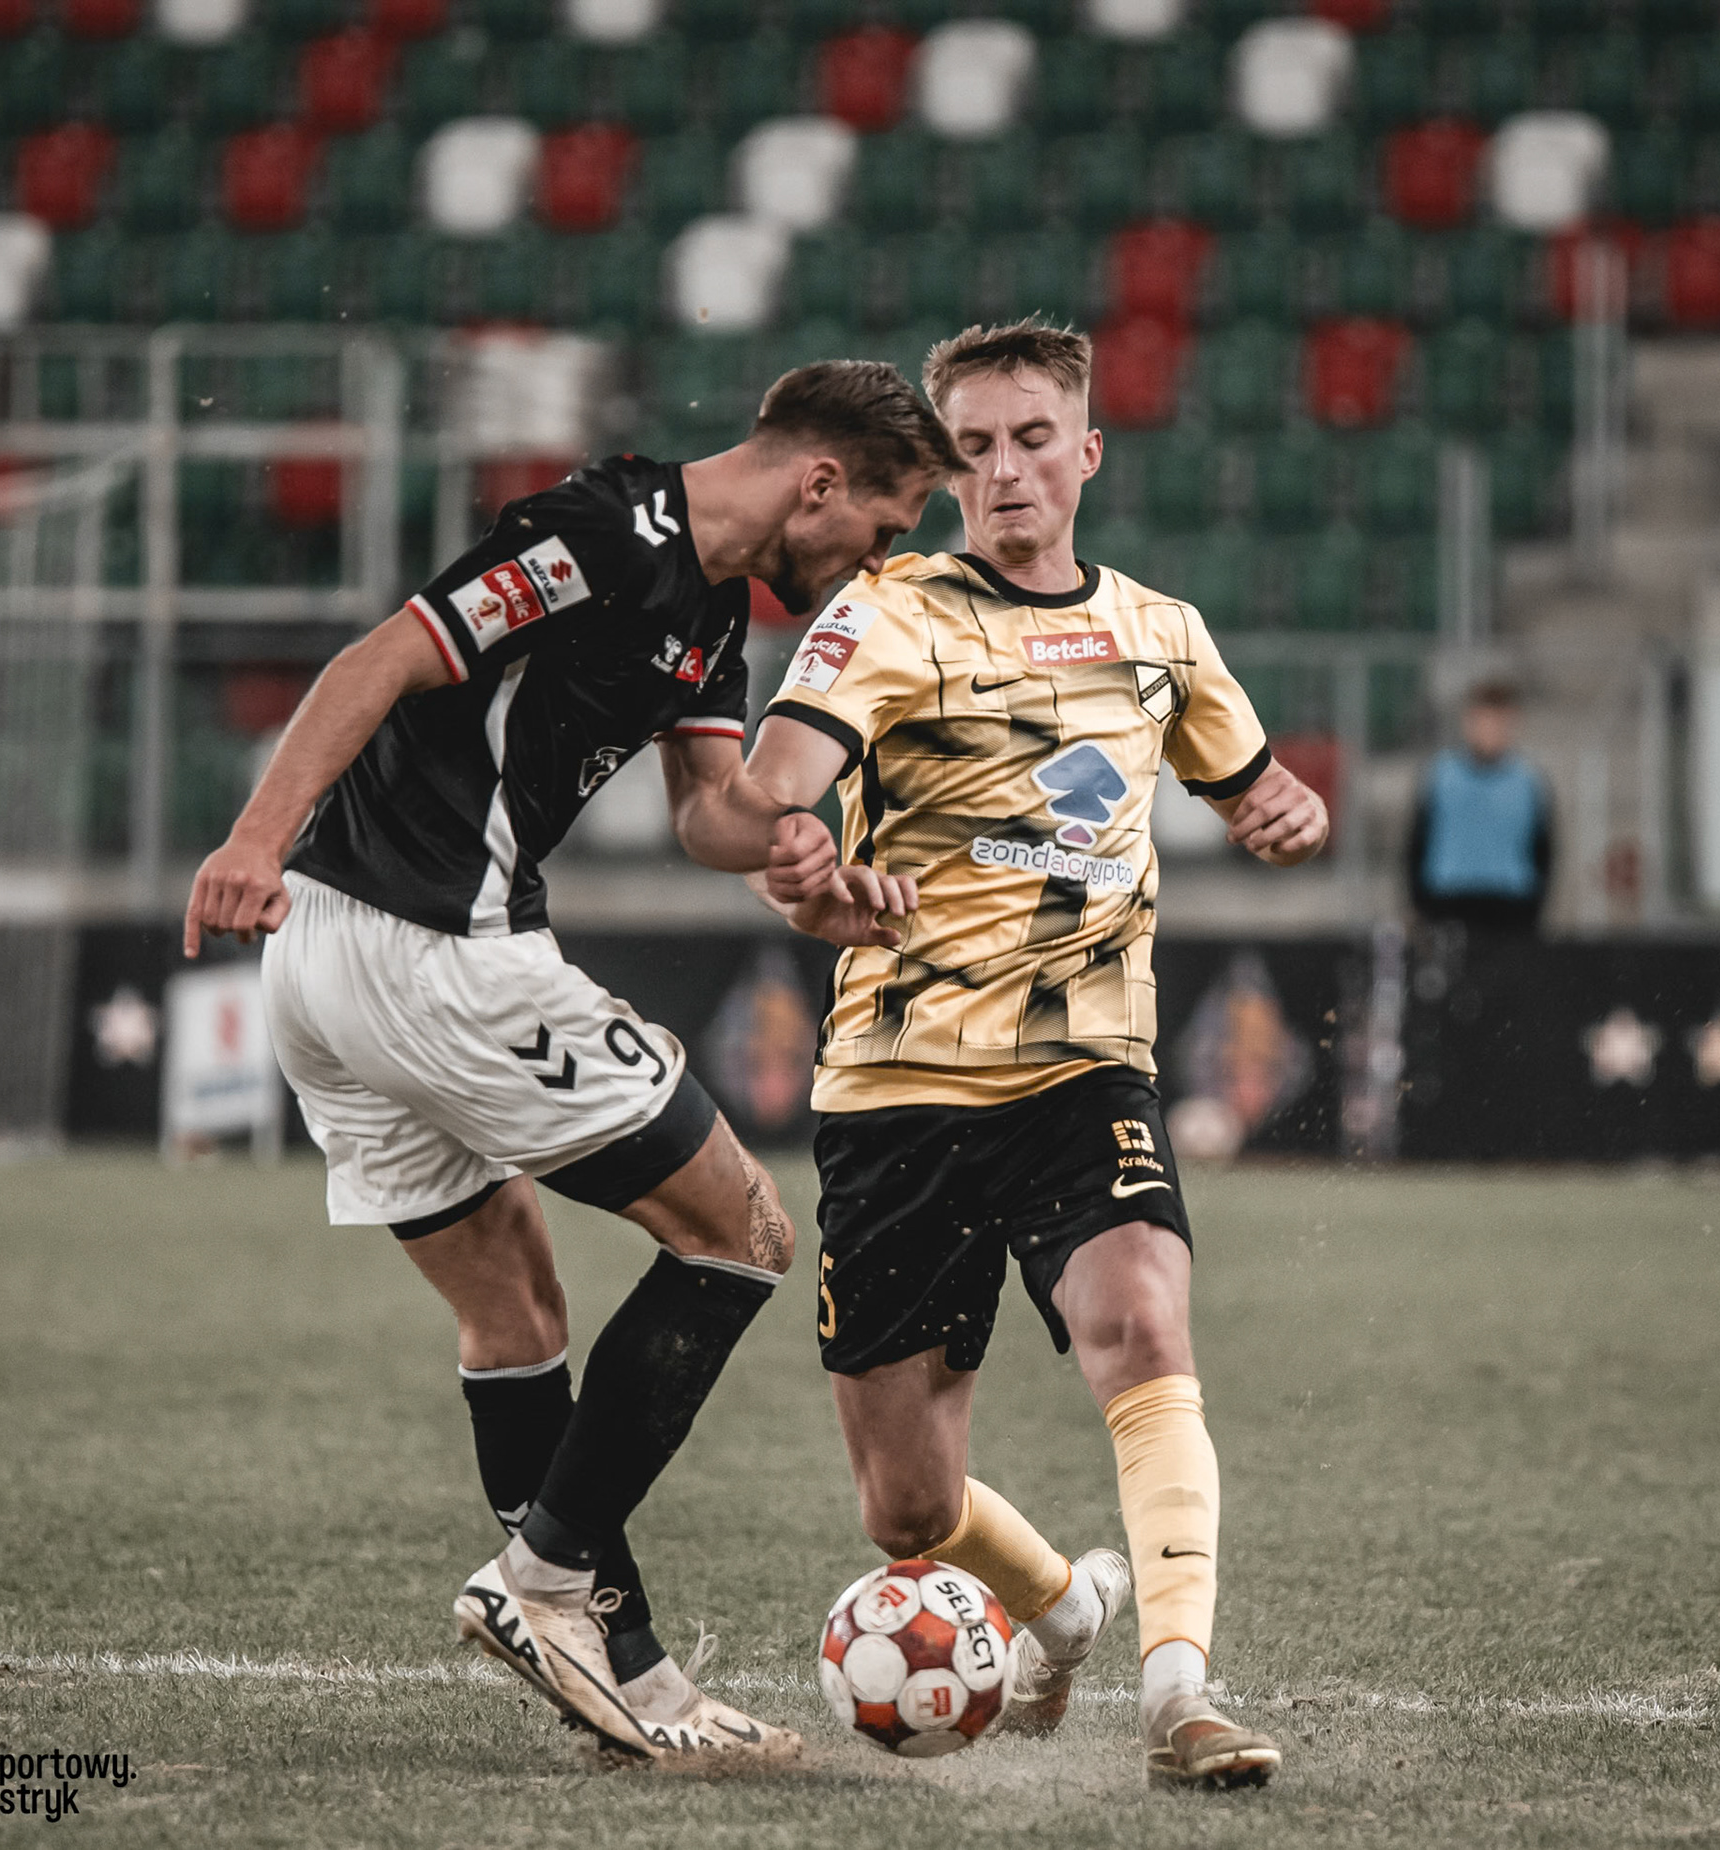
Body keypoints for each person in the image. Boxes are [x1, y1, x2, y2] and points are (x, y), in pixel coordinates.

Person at [183, 360, 961, 1760]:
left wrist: (799, 848)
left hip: (333, 966)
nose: (875, 560)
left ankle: (629, 1675)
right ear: (820, 481)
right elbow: (380, 658)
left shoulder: (712, 608)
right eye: (885, 526)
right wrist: (252, 837)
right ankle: (541, 1577)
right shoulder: (604, 534)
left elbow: (709, 810)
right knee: (744, 1231)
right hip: (436, 949)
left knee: (516, 1308)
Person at [746, 320, 1330, 1787]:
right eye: (976, 447)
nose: (1006, 470)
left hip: (1084, 1070)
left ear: (1087, 451)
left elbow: (1257, 787)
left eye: (1031, 439)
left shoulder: (1163, 634)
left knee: (1143, 1322)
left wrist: (1287, 815)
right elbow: (777, 795)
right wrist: (802, 862)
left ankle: (1180, 1694)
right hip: (898, 1086)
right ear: (947, 469)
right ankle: (1063, 1608)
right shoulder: (887, 614)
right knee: (905, 1506)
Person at [1407, 679, 1552, 936]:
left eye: (1498, 722)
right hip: (1448, 900)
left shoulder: (1528, 781)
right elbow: (1417, 840)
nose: (1489, 731)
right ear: (1468, 722)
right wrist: (1419, 903)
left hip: (1511, 905)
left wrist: (1535, 906)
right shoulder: (1441, 776)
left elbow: (1543, 847)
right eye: (1483, 721)